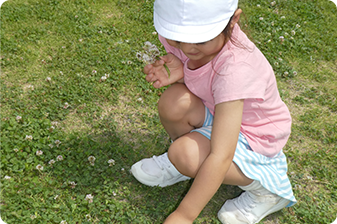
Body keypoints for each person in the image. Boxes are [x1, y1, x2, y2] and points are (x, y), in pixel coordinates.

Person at [130, 0, 297, 223]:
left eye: (200, 39)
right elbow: (204, 77)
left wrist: (184, 215)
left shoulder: (235, 69)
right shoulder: (189, 40)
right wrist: (183, 73)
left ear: (233, 20)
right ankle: (188, 166)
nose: (188, 48)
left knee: (186, 155)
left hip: (254, 136)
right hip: (217, 111)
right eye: (177, 39)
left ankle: (268, 189)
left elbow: (222, 154)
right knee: (173, 102)